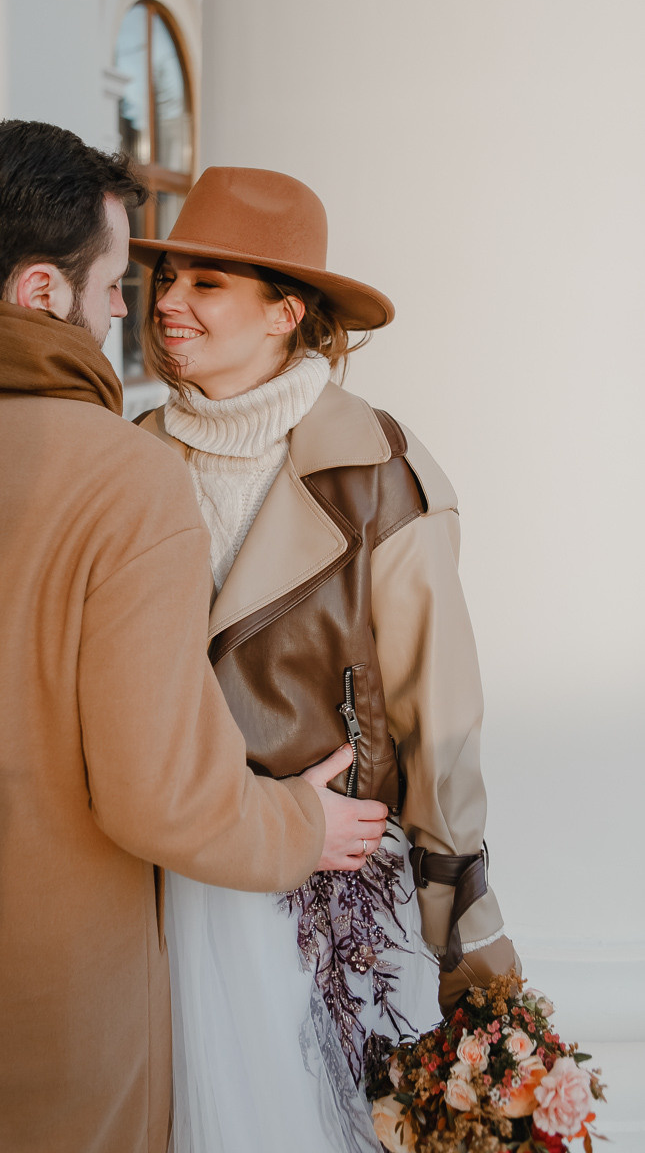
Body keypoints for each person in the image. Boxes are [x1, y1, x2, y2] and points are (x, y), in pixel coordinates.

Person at [0, 125, 373, 1153]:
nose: (121, 314)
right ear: (39, 292)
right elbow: (160, 794)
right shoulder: (123, 477)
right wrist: (299, 827)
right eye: (111, 286)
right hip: (53, 1044)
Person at [132, 166, 521, 1153]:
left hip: (332, 876)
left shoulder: (379, 470)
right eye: (166, 277)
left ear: (285, 312)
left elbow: (439, 706)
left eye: (205, 282)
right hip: (161, 871)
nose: (168, 301)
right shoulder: (125, 455)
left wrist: (457, 904)